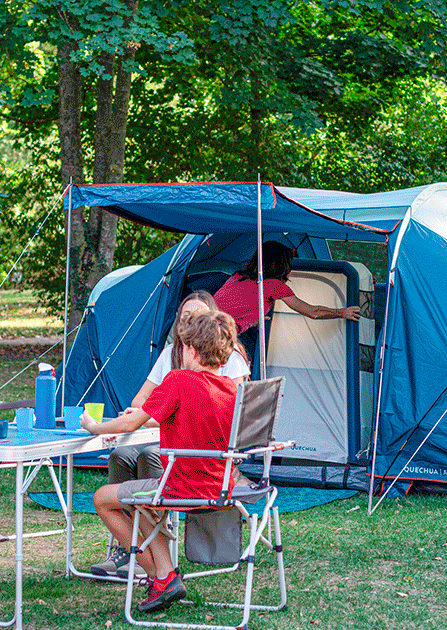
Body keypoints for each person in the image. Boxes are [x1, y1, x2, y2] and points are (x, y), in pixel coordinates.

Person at [80, 310, 241, 613]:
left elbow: (130, 424)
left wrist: (94, 427)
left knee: (103, 499)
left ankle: (158, 576)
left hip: (181, 486)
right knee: (140, 499)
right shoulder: (232, 389)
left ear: (191, 351)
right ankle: (166, 575)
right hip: (221, 486)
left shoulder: (179, 380)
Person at [213, 241, 361, 370]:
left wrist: (252, 320)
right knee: (249, 371)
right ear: (283, 265)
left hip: (205, 330)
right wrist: (342, 312)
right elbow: (313, 312)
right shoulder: (273, 285)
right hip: (225, 338)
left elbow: (229, 307)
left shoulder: (237, 276)